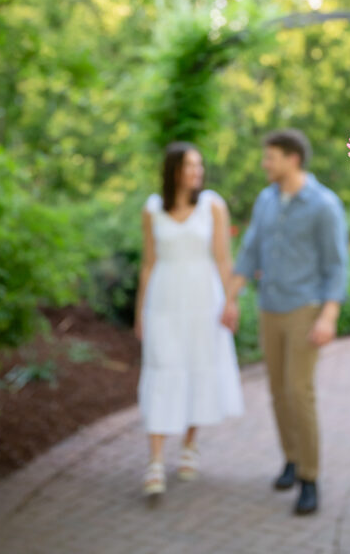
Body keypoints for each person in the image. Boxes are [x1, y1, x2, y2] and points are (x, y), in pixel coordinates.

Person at [222, 129, 349, 516]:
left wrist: (329, 316)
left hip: (304, 310)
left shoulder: (323, 205)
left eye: (270, 157)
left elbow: (337, 265)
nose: (265, 164)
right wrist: (231, 297)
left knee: (299, 391)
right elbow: (249, 251)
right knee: (278, 390)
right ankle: (291, 459)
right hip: (269, 308)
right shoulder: (266, 199)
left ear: (293, 159)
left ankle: (310, 477)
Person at [134, 142, 243, 496]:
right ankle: (154, 461)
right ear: (173, 170)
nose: (197, 171)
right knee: (162, 369)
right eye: (189, 165)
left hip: (203, 300)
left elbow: (224, 260)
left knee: (199, 366)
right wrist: (140, 311)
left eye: (199, 165)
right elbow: (148, 264)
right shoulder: (153, 209)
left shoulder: (212, 205)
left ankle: (190, 444)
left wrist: (230, 301)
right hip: (164, 301)